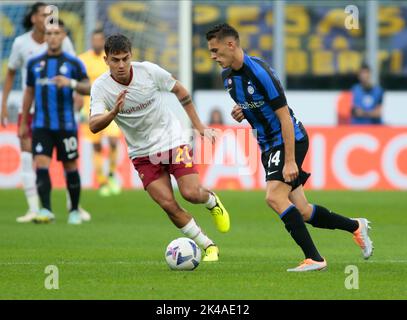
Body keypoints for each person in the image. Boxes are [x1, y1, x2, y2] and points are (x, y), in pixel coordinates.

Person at [206, 23, 373, 272]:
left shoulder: (261, 73)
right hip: (267, 145)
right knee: (303, 210)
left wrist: (291, 160)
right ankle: (355, 226)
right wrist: (242, 112)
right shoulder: (227, 77)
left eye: (216, 50)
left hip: (288, 140)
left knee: (274, 197)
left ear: (231, 45)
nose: (212, 56)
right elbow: (255, 106)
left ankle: (315, 259)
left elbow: (284, 117)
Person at [89, 34, 230, 261]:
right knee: (168, 204)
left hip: (173, 141)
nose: (122, 65)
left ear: (131, 56)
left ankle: (211, 201)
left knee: (191, 193)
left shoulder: (148, 72)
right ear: (106, 60)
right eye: (115, 60)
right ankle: (208, 246)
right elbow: (93, 125)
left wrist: (199, 126)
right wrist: (113, 113)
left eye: (125, 59)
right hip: (142, 154)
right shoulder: (101, 87)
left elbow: (181, 91)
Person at [1, 2, 90, 222]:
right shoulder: (31, 58)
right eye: (49, 33)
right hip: (38, 119)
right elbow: (25, 87)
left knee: (69, 164)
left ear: (63, 35)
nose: (52, 37)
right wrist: (15, 115)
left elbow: (85, 83)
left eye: (56, 33)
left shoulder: (71, 59)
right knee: (37, 161)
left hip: (66, 120)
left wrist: (72, 88)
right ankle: (42, 209)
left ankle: (74, 209)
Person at [79, 29, 122, 197]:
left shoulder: (110, 59)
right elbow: (78, 85)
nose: (97, 43)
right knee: (96, 146)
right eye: (94, 40)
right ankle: (102, 180)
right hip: (88, 109)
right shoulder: (82, 60)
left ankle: (111, 174)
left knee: (112, 141)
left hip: (108, 107)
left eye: (99, 40)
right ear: (91, 41)